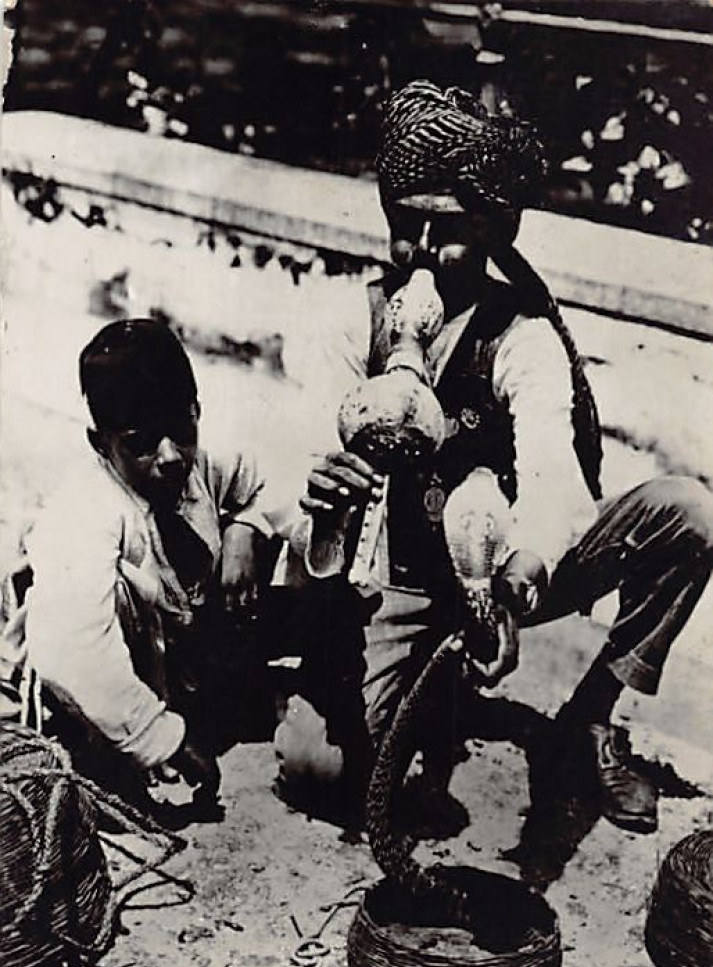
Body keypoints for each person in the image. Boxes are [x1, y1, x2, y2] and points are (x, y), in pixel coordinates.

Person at [277, 80, 713, 836]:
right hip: (400, 583)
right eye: (402, 226)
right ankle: (424, 685)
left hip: (505, 570)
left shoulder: (521, 338)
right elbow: (292, 457)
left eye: (444, 231)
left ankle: (587, 722)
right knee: (319, 769)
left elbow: (552, 477)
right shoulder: (351, 319)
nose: (419, 251)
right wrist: (315, 490)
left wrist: (515, 579)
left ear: (490, 232)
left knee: (689, 516)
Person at [5, 318, 278, 799]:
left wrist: (245, 527)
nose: (171, 456)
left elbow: (265, 486)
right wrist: (163, 740)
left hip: (184, 663)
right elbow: (73, 652)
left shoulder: (203, 463)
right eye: (141, 441)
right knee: (111, 592)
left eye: (181, 427)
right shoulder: (84, 511)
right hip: (87, 696)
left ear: (196, 410)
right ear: (101, 443)